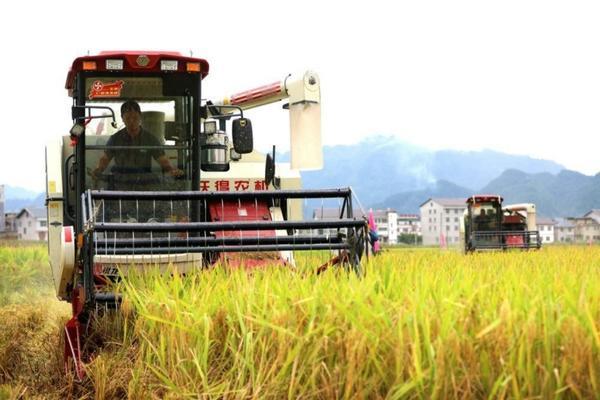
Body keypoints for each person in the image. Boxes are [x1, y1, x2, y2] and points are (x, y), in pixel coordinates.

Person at [91, 100, 183, 189]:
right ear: (122, 119)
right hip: (120, 184)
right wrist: (98, 170)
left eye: (135, 118)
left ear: (140, 117)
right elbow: (105, 159)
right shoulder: (115, 139)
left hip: (143, 184)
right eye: (128, 118)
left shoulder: (150, 139)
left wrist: (171, 170)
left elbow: (162, 160)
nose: (131, 121)